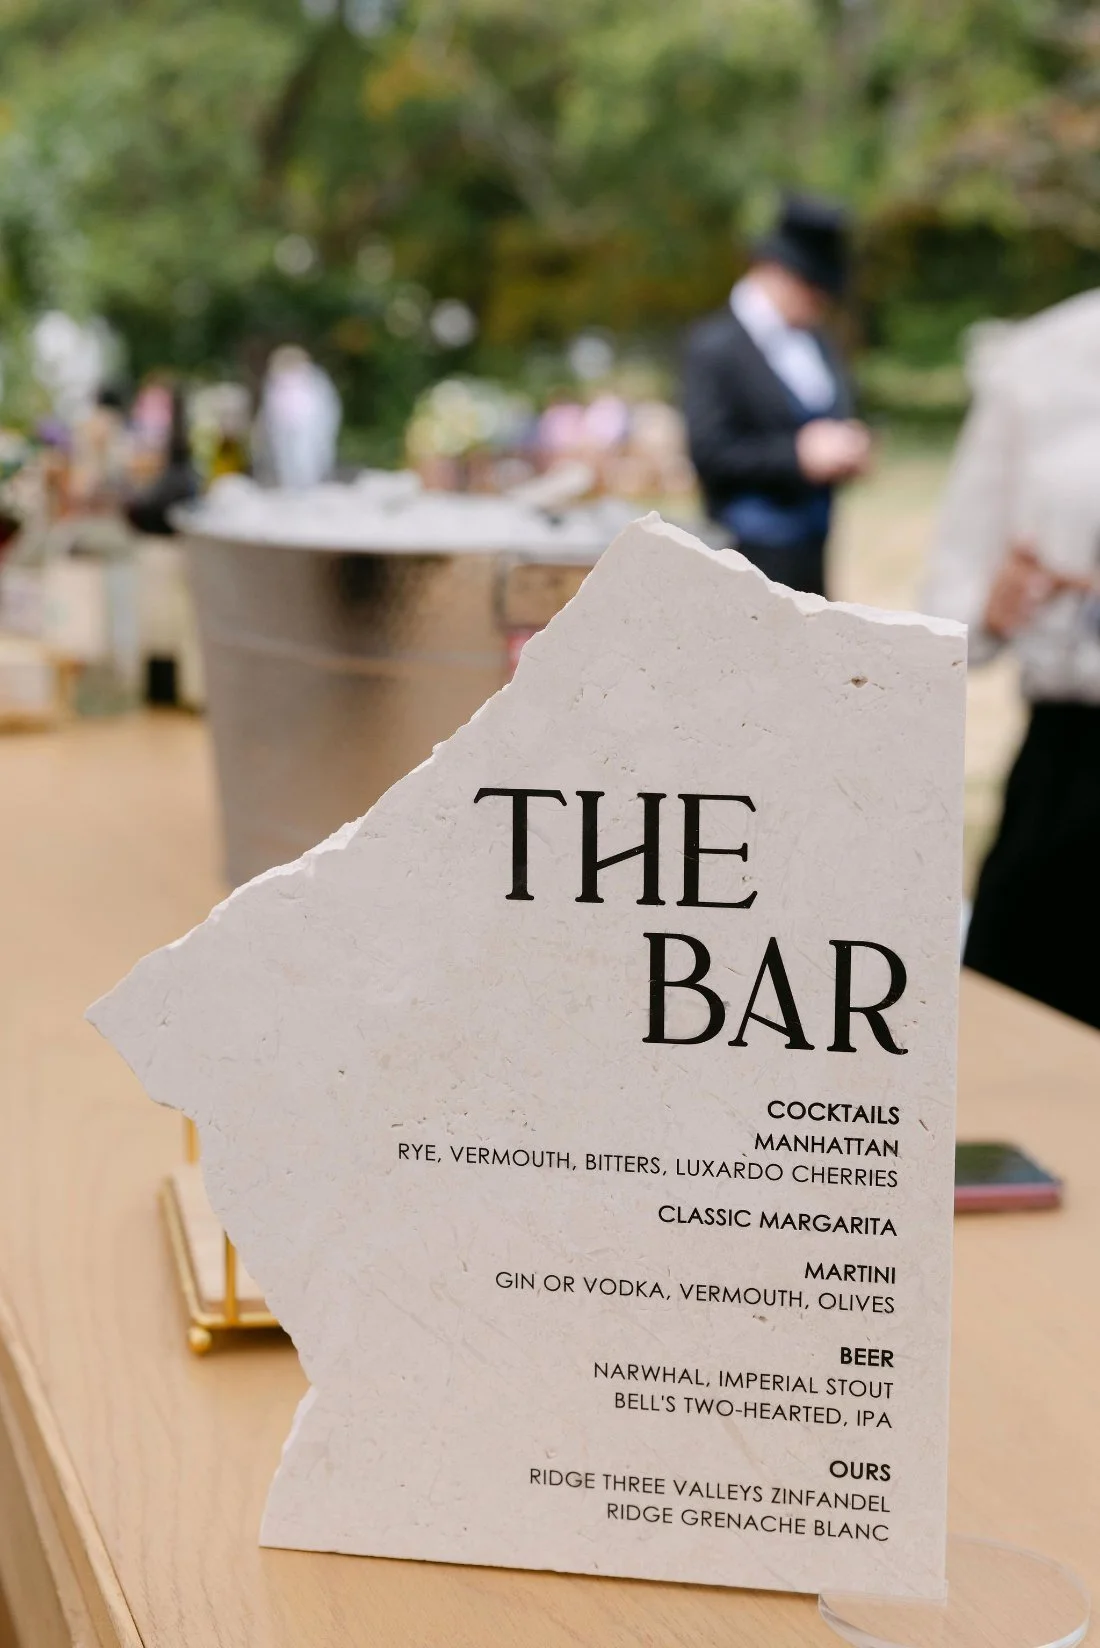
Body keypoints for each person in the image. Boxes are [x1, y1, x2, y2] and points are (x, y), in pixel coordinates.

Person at [924, 296, 1100, 1030]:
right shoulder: (1044, 360)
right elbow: (948, 600)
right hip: (1075, 776)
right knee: (1016, 1051)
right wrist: (994, 602)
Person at [682, 195, 872, 596]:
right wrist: (797, 457)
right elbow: (710, 451)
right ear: (778, 272)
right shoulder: (714, 347)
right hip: (745, 551)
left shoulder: (816, 343)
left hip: (813, 547)